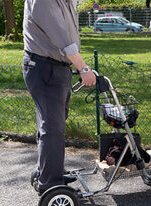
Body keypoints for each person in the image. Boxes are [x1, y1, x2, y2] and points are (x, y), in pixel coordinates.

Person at [21, 0, 95, 195]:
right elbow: (62, 38)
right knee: (52, 128)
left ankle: (50, 171)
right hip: (45, 67)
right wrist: (83, 68)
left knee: (54, 124)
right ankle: (51, 184)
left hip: (58, 68)